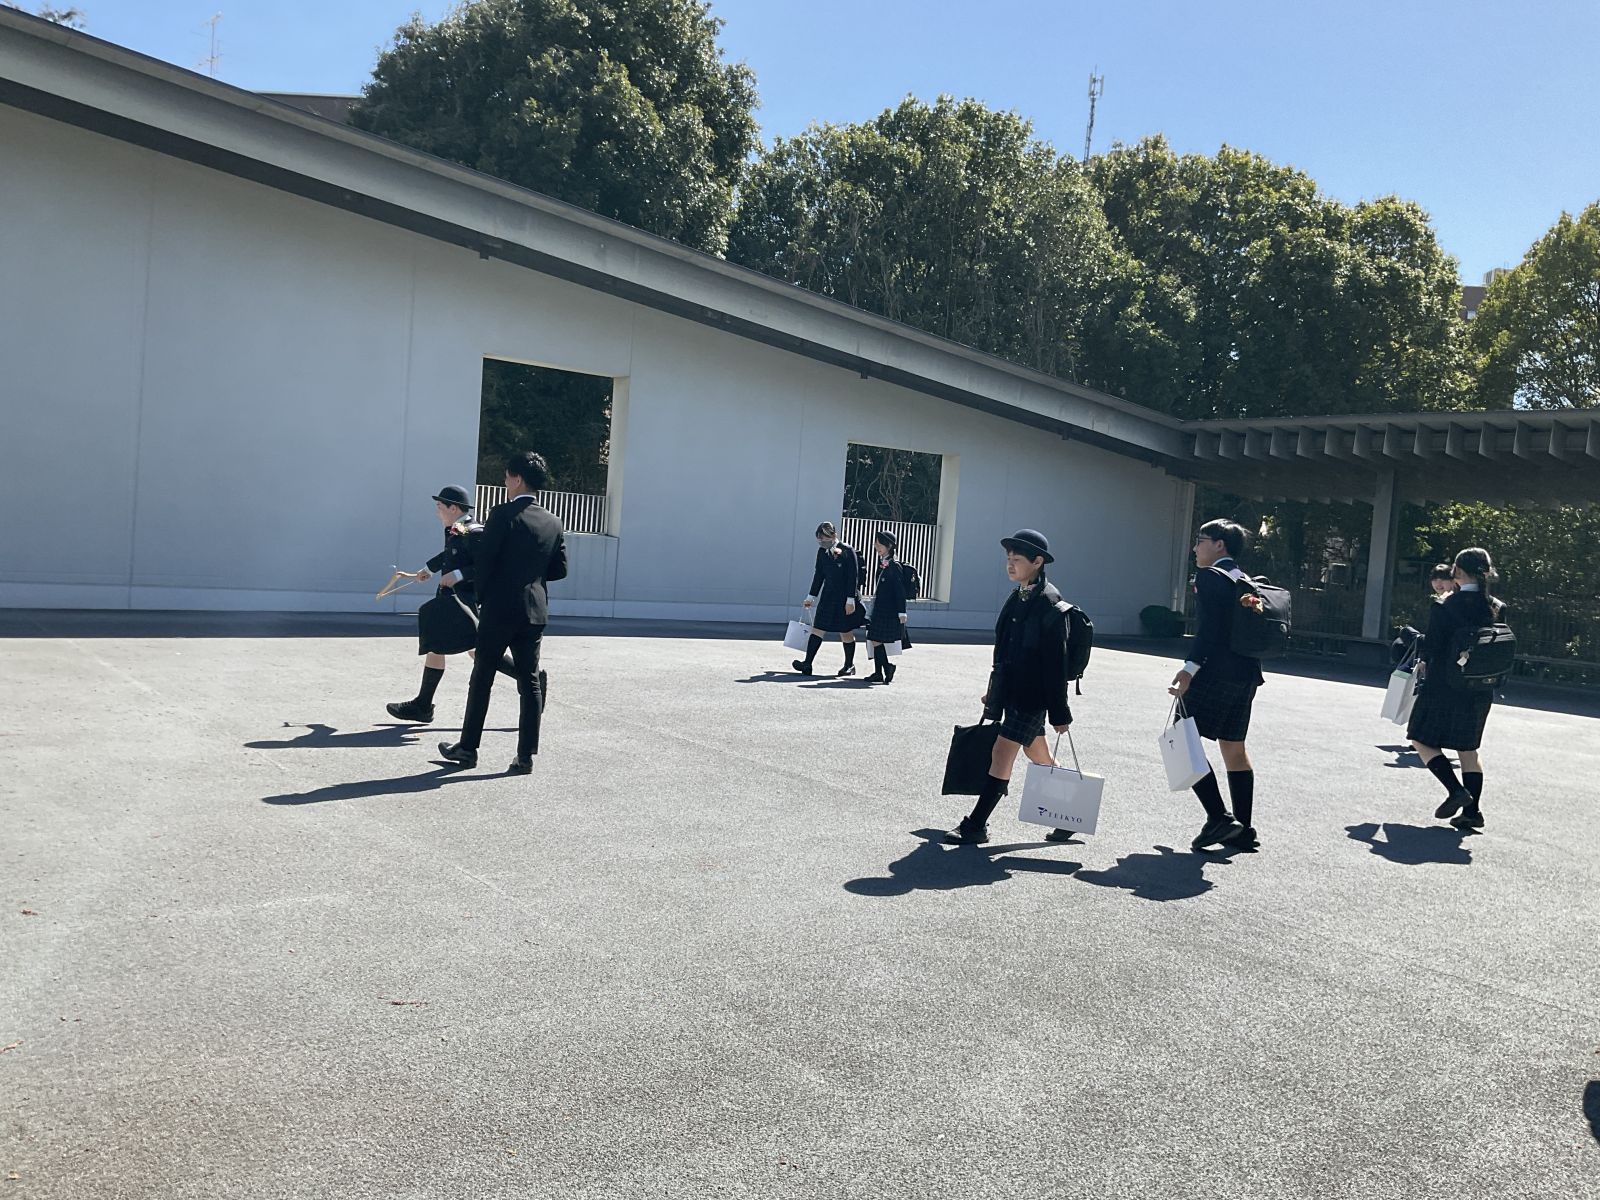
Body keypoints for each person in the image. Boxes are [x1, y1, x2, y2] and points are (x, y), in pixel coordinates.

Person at [439, 452, 567, 774]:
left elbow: (485, 561)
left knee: (482, 678)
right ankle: (525, 757)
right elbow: (560, 569)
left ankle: (468, 749)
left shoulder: (502, 514)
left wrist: (483, 598)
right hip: (534, 610)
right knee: (530, 682)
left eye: (508, 476)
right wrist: (531, 576)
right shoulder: (553, 522)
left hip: (499, 608)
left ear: (517, 479)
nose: (505, 481)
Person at [945, 529, 1075, 846]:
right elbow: (1004, 649)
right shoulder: (1019, 595)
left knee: (1002, 752)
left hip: (1032, 695)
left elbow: (1055, 664)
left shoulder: (1049, 603)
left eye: (1017, 559)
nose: (1010, 564)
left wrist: (1060, 712)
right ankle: (1070, 813)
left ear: (1038, 562)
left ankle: (976, 825)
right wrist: (994, 689)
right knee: (1040, 755)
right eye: (1008, 558)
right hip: (1013, 691)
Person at [1168, 519, 1263, 853]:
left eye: (1201, 540)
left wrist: (1189, 669)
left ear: (1219, 544)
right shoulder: (1245, 579)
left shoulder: (1210, 577)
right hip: (1248, 674)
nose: (1195, 548)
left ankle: (1219, 817)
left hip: (1216, 672)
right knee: (1234, 747)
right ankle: (1244, 830)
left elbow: (1208, 630)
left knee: (1182, 736)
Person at [1407, 548, 1502, 830]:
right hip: (1480, 688)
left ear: (1457, 571)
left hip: (1444, 686)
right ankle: (1472, 812)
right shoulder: (1496, 606)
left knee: (1420, 738)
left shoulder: (1445, 605)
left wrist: (1421, 656)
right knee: (1468, 749)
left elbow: (1433, 646)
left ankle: (1455, 790)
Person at [386, 486, 485, 724]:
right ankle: (423, 705)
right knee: (437, 645)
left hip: (463, 601)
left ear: (454, 508)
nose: (437, 511)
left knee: (478, 651)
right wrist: (428, 570)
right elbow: (450, 554)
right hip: (450, 598)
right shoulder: (458, 528)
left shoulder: (475, 532)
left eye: (440, 506)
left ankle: (529, 680)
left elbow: (486, 565)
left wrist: (458, 575)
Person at [793, 522, 867, 676]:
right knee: (818, 628)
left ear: (834, 535)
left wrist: (850, 600)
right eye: (819, 539)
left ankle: (849, 665)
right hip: (828, 597)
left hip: (844, 598)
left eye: (824, 538)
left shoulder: (847, 551)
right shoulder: (822, 552)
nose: (822, 541)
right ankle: (807, 663)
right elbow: (819, 575)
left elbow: (853, 577)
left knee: (845, 631)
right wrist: (810, 597)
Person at [865, 531, 910, 684]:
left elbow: (899, 590)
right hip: (880, 607)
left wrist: (902, 611)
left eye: (879, 544)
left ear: (889, 546)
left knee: (875, 638)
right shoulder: (883, 562)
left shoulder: (894, 565)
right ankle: (879, 672)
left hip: (888, 609)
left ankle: (886, 668)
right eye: (875, 543)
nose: (876, 546)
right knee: (875, 639)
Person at [1393, 564, 1458, 664]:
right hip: (1432, 646)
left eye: (1443, 579)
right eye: (1435, 579)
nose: (1438, 583)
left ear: (1453, 581)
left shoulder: (1451, 601)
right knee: (1400, 644)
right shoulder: (1436, 600)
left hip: (1442, 649)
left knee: (1405, 634)